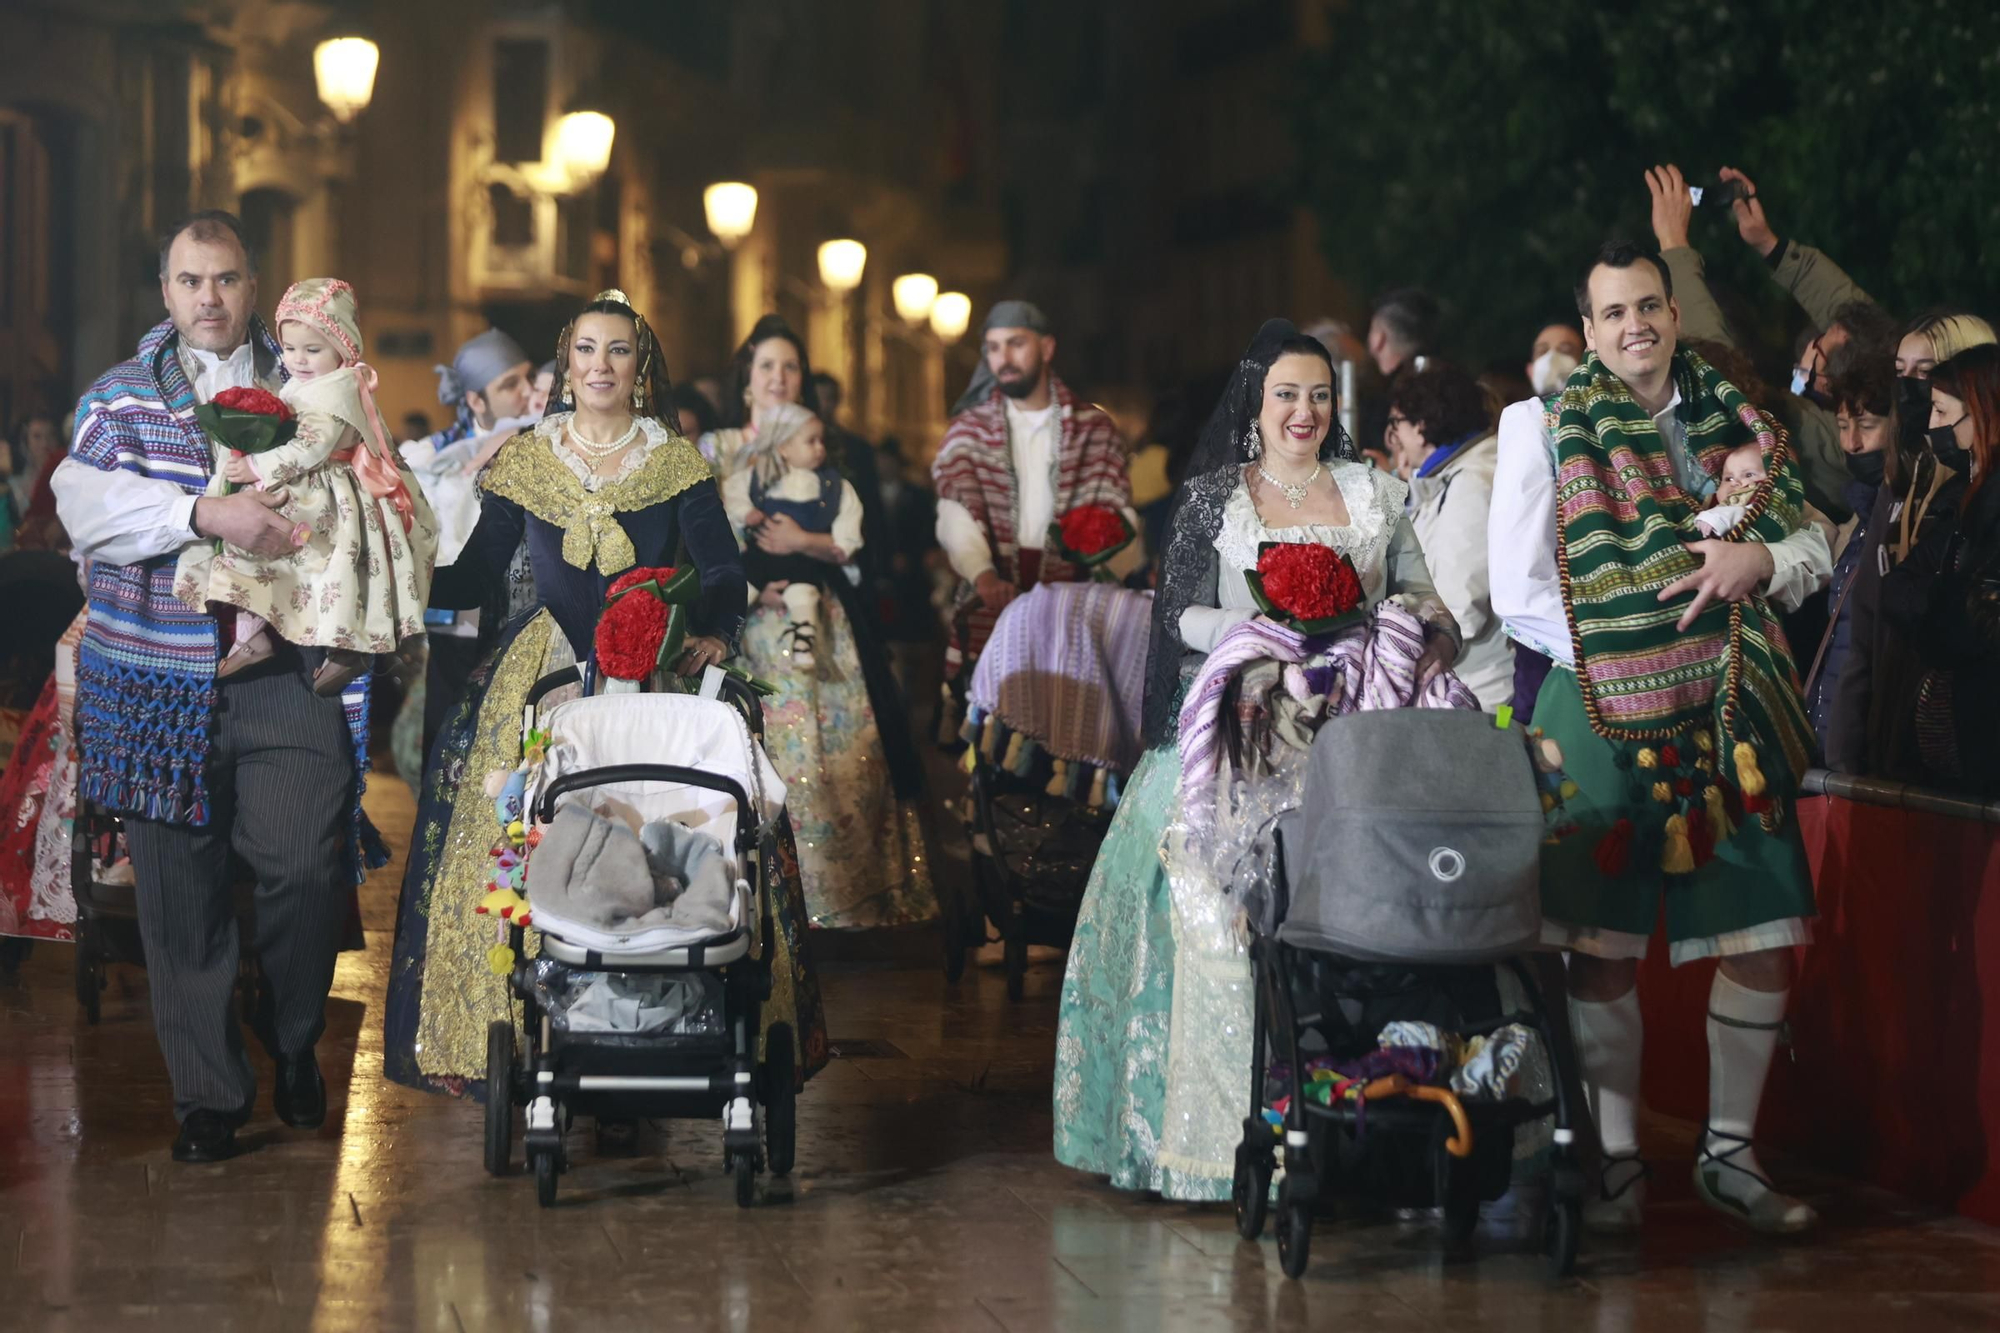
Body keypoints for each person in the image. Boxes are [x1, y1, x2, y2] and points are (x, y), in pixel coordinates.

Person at [1054, 319, 1463, 1200]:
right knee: (1218, 918)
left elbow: (1425, 596)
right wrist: (1250, 637)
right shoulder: (1214, 501)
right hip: (1235, 732)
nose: (1304, 410)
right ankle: (1219, 1142)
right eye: (1287, 394)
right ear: (1257, 403)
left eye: (1319, 394)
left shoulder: (1374, 495)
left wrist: (1422, 630)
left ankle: (1364, 1126)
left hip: (1351, 738)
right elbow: (1177, 616)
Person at [384, 289, 826, 1091]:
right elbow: (478, 572)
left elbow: (723, 568)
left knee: (658, 821)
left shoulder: (672, 459)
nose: (599, 365)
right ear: (566, 363)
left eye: (617, 351)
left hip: (651, 670)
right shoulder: (526, 458)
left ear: (640, 367)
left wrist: (712, 632)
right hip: (547, 674)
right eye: (585, 350)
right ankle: (537, 1010)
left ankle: (663, 1001)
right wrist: (393, 567)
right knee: (529, 816)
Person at [1489, 240, 1833, 1235]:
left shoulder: (1739, 421)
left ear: (1673, 315)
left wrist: (1754, 562)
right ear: (1587, 328)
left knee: (1763, 932)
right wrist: (1643, 639)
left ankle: (1728, 1154)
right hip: (1594, 704)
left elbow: (1811, 543)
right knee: (1596, 950)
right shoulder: (1539, 424)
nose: (1634, 324)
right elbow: (1514, 589)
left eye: (1649, 304)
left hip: (1729, 707)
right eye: (1612, 312)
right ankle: (1620, 1162)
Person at [50, 210, 387, 1163]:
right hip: (157, 681)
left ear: (254, 287)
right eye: (191, 281)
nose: (209, 297)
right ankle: (208, 1095)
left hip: (287, 675)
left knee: (305, 868)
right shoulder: (117, 400)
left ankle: (290, 1035)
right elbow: (83, 507)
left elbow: (372, 496)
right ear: (165, 291)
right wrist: (205, 511)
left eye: (227, 280)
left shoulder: (318, 385)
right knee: (179, 896)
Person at [171, 278, 437, 695]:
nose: (299, 359)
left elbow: (311, 446)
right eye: (290, 348)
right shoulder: (306, 382)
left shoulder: (339, 389)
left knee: (319, 562)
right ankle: (253, 631)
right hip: (308, 485)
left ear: (343, 347)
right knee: (257, 540)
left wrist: (257, 465)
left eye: (313, 350)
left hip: (330, 493)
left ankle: (346, 647)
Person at [729, 401, 931, 929]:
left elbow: (850, 545)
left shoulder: (834, 488)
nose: (818, 450)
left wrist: (802, 542)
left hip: (825, 614)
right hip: (759, 626)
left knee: (841, 744)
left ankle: (848, 887)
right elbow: (727, 535)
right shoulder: (745, 477)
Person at [1647, 163, 1896, 521]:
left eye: (1821, 345)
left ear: (1827, 382)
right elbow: (1858, 318)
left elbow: (1720, 371)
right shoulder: (1875, 411)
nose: (1813, 342)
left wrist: (1674, 244)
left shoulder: (1830, 440)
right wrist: (1769, 244)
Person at [932, 300, 1136, 698]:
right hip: (994, 589)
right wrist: (983, 575)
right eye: (992, 347)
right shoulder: (967, 432)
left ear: (1046, 348)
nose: (1003, 358)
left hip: (1074, 600)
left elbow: (1117, 513)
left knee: (1071, 719)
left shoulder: (1093, 427)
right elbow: (955, 511)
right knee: (994, 725)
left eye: (1015, 343)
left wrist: (1099, 569)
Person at [399, 327, 536, 756]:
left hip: (519, 612)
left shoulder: (539, 440)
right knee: (445, 738)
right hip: (453, 614)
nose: (527, 392)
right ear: (476, 400)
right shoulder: (434, 456)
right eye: (509, 384)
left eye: (527, 378)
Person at [1880, 346, 2000, 794]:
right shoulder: (1962, 501)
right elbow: (1896, 586)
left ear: (1983, 414)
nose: (1931, 425)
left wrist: (1938, 601)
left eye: (1941, 410)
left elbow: (1961, 625)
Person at [1387, 364, 1513, 710]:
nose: (1394, 436)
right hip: (1467, 681)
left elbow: (1461, 603)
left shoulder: (1472, 483)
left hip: (1482, 689)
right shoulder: (1452, 478)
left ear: (1422, 426)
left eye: (1397, 423)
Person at [723, 403, 863, 669]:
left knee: (806, 590)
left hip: (803, 561)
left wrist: (844, 542)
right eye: (811, 441)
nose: (820, 447)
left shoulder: (832, 486)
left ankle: (803, 641)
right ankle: (726, 628)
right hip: (760, 556)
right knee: (742, 585)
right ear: (784, 448)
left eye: (821, 441)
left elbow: (849, 512)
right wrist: (746, 512)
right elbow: (734, 493)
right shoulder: (759, 478)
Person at [1800, 364, 1896, 750]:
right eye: (1842, 426)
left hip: (1863, 745)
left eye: (1867, 425)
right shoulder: (1860, 520)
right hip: (1831, 734)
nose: (1852, 442)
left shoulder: (1903, 523)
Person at [697, 315, 822, 480]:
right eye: (766, 366)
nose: (779, 377)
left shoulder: (819, 447)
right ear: (748, 376)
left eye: (790, 366)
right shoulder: (718, 447)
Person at [809, 370, 890, 595]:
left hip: (854, 540)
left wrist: (882, 565)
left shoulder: (857, 448)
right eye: (817, 398)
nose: (823, 405)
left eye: (829, 398)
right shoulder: (796, 445)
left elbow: (872, 504)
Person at [3, 413, 61, 550]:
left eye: (51, 436)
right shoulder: (13, 486)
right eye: (37, 437)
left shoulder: (70, 479)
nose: (45, 443)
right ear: (26, 442)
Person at [1527, 323, 1585, 397]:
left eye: (1565, 351)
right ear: (1530, 371)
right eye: (1542, 351)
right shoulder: (1518, 408)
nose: (1552, 358)